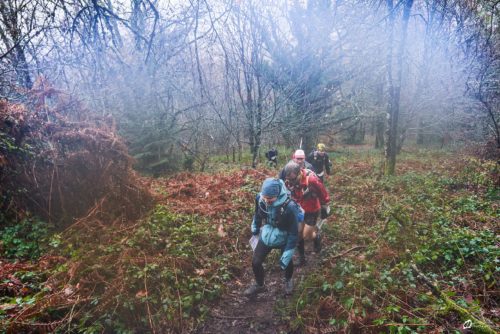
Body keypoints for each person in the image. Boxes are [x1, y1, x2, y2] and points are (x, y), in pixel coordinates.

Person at [244, 178, 303, 296]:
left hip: (284, 235)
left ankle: (288, 280)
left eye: (270, 198)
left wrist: (288, 252)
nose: (266, 201)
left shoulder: (290, 207)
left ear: (277, 194)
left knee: (286, 261)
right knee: (256, 262)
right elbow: (257, 214)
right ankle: (260, 285)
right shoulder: (260, 199)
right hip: (267, 233)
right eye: (265, 197)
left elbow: (293, 233)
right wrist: (255, 225)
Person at [282, 161, 330, 266]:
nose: (291, 181)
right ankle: (302, 258)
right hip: (299, 209)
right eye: (289, 179)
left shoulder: (311, 179)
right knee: (298, 233)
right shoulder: (289, 180)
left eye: (293, 179)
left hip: (312, 209)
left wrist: (325, 206)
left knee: (306, 235)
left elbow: (323, 192)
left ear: (299, 173)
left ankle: (316, 237)